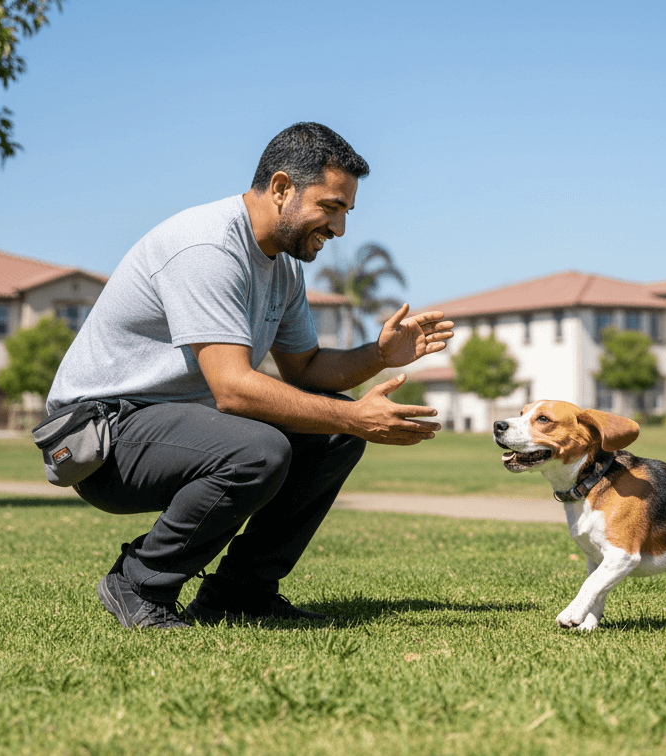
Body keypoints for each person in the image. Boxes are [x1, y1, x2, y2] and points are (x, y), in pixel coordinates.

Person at [45, 122, 453, 629]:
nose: (340, 229)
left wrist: (379, 355)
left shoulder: (282, 265)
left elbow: (305, 368)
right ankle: (140, 580)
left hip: (170, 423)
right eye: (330, 207)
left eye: (346, 211)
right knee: (262, 449)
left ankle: (240, 593)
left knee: (334, 436)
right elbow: (234, 390)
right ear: (281, 188)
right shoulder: (208, 247)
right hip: (99, 438)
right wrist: (358, 419)